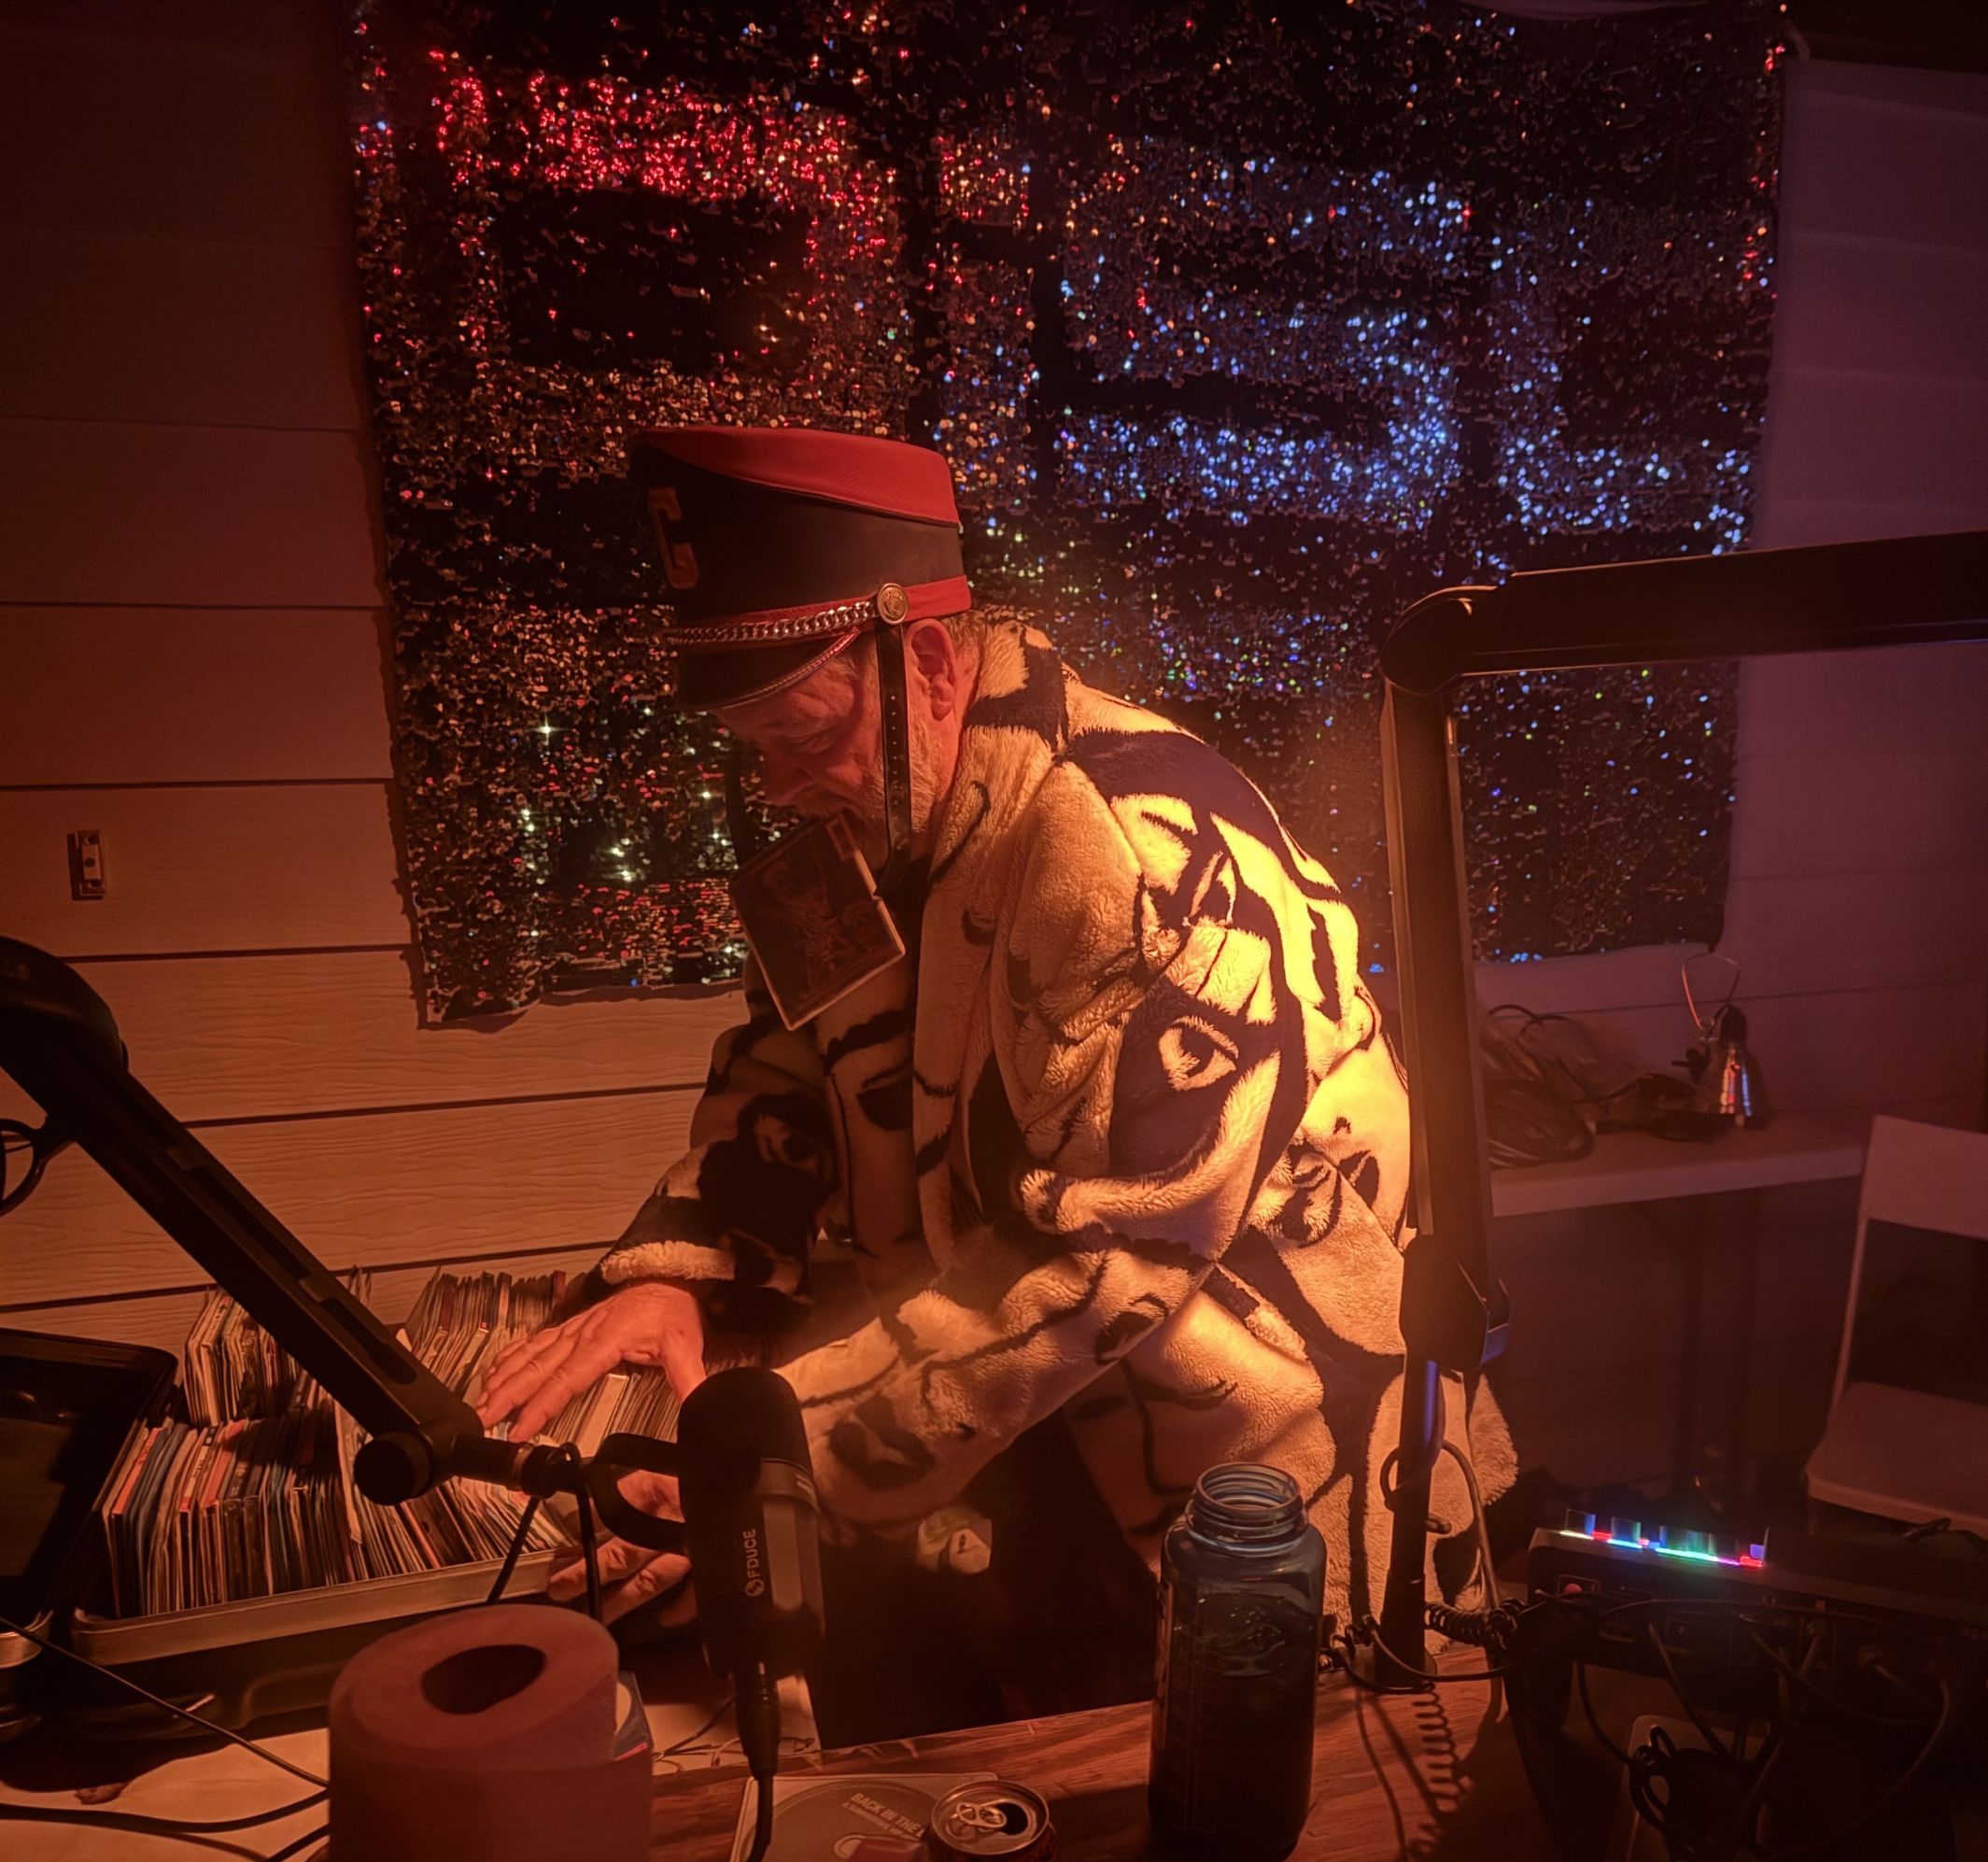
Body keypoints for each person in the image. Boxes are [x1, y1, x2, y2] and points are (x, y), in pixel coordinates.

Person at [476, 426, 1512, 1702]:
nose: (778, 784)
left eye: (798, 732)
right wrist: (686, 1275)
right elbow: (784, 1065)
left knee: (1242, 1799)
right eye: (753, 746)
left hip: (1242, 1474)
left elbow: (1105, 1255)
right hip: (990, 1435)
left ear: (920, 663)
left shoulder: (1138, 850)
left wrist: (770, 1467)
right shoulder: (846, 808)